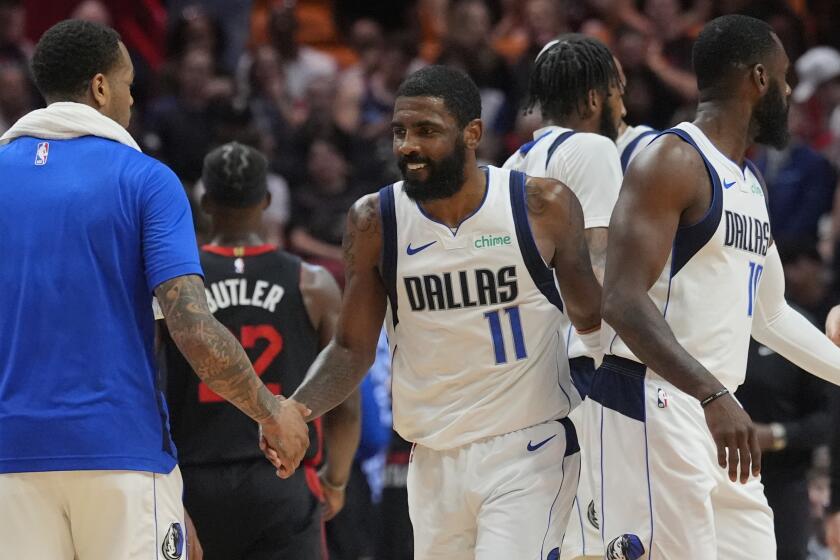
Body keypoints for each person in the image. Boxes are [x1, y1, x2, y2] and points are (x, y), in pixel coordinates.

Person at [267, 64, 604, 559]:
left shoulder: (539, 206)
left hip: (528, 449)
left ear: (472, 133)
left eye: (426, 131)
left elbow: (594, 323)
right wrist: (296, 408)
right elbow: (350, 349)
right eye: (400, 131)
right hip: (433, 460)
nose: (406, 145)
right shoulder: (374, 221)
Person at [0, 20, 308, 560]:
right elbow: (192, 328)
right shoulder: (145, 178)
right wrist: (269, 412)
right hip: (119, 452)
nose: (132, 99)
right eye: (128, 83)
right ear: (99, 87)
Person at [591, 14, 840, 560]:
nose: (791, 91)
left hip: (717, 409)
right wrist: (711, 393)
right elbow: (622, 299)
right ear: (757, 78)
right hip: (657, 400)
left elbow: (770, 316)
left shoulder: (748, 182)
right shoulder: (673, 159)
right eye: (784, 77)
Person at [163, 142, 361, 559]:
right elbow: (346, 401)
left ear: (206, 202)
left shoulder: (176, 289)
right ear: (267, 201)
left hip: (196, 483)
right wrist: (336, 480)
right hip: (282, 476)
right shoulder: (312, 282)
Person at [502, 34, 625, 560]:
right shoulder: (593, 150)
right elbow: (599, 263)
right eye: (617, 91)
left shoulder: (509, 165)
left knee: (556, 531)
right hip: (582, 363)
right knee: (597, 533)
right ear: (595, 99)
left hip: (526, 367)